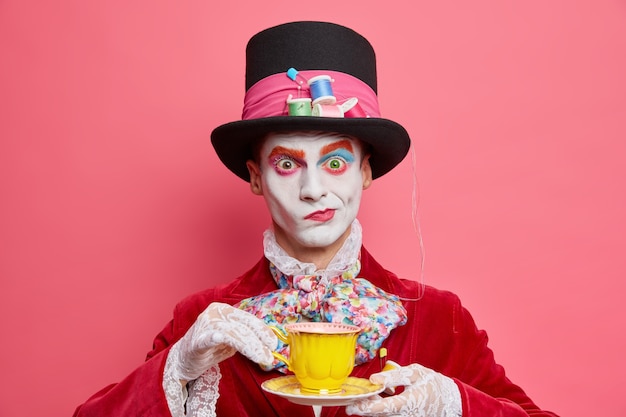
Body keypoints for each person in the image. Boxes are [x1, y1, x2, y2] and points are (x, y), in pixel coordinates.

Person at [73, 21, 558, 417]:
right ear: (256, 177)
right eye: (287, 164)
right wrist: (176, 370)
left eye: (335, 162)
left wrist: (455, 404)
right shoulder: (201, 319)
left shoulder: (439, 317)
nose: (312, 189)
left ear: (365, 172)